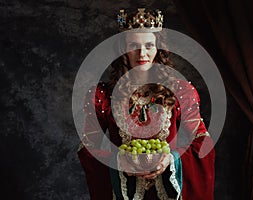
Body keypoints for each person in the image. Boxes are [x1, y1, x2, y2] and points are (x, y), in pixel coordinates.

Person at [77, 8, 215, 200]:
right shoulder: (104, 95)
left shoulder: (180, 92)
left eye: (149, 45)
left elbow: (202, 142)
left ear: (158, 47)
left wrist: (171, 160)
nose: (142, 53)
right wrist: (119, 161)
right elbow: (87, 148)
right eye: (134, 45)